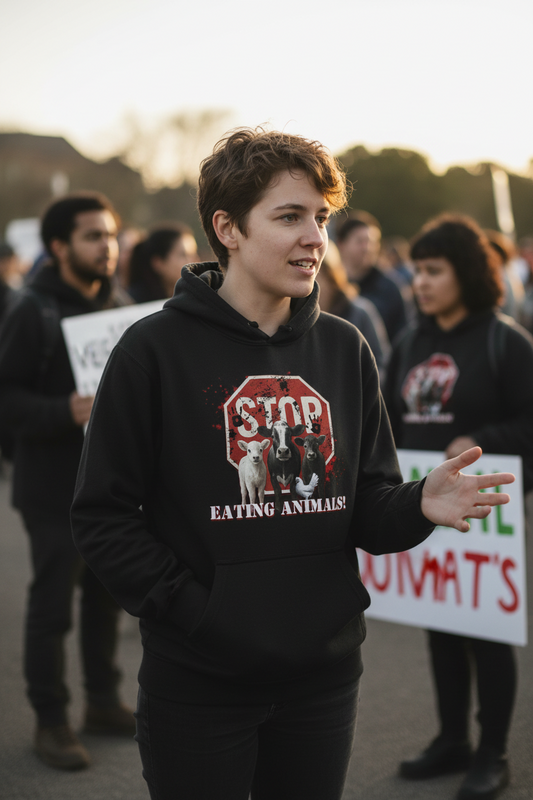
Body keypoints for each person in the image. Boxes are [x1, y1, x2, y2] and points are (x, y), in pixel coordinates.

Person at [71, 129, 513, 800]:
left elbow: (367, 504)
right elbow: (102, 516)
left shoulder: (344, 347)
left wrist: (417, 505)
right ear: (228, 229)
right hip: (199, 685)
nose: (315, 238)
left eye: (321, 218)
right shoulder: (150, 351)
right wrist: (199, 614)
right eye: (289, 217)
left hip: (323, 681)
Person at [383, 214, 533, 800]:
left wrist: (477, 440)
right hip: (423, 505)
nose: (420, 282)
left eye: (433, 271)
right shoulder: (407, 342)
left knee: (486, 631)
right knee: (441, 625)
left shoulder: (505, 341)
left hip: (486, 513)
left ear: (466, 274)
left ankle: (492, 752)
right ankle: (451, 740)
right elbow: (387, 422)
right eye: (416, 270)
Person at [0, 193, 136, 771]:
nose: (106, 247)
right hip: (52, 489)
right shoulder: (33, 310)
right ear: (59, 247)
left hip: (111, 490)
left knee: (106, 602)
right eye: (91, 237)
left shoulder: (124, 307)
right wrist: (65, 411)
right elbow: (6, 399)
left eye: (109, 235)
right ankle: (51, 720)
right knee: (53, 607)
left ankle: (102, 703)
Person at [316, 239, 390, 376]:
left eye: (317, 274)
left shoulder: (360, 312)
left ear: (332, 276)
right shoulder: (294, 316)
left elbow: (381, 363)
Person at [336, 212, 408, 343]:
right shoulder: (330, 286)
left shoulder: (392, 287)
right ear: (341, 244)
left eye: (373, 242)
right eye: (360, 241)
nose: (368, 248)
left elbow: (403, 334)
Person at [127, 223, 199, 302]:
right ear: (158, 263)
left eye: (194, 253)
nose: (195, 260)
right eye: (183, 255)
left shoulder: (195, 296)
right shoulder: (133, 302)